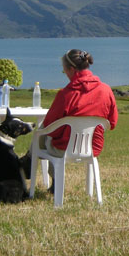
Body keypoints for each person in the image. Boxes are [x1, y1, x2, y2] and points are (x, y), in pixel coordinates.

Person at [36, 49, 118, 188]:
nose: (65, 75)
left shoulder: (66, 94)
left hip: (64, 148)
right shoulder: (106, 90)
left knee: (42, 130)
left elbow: (51, 128)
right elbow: (112, 123)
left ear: (72, 69)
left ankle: (33, 164)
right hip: (93, 147)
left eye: (64, 71)